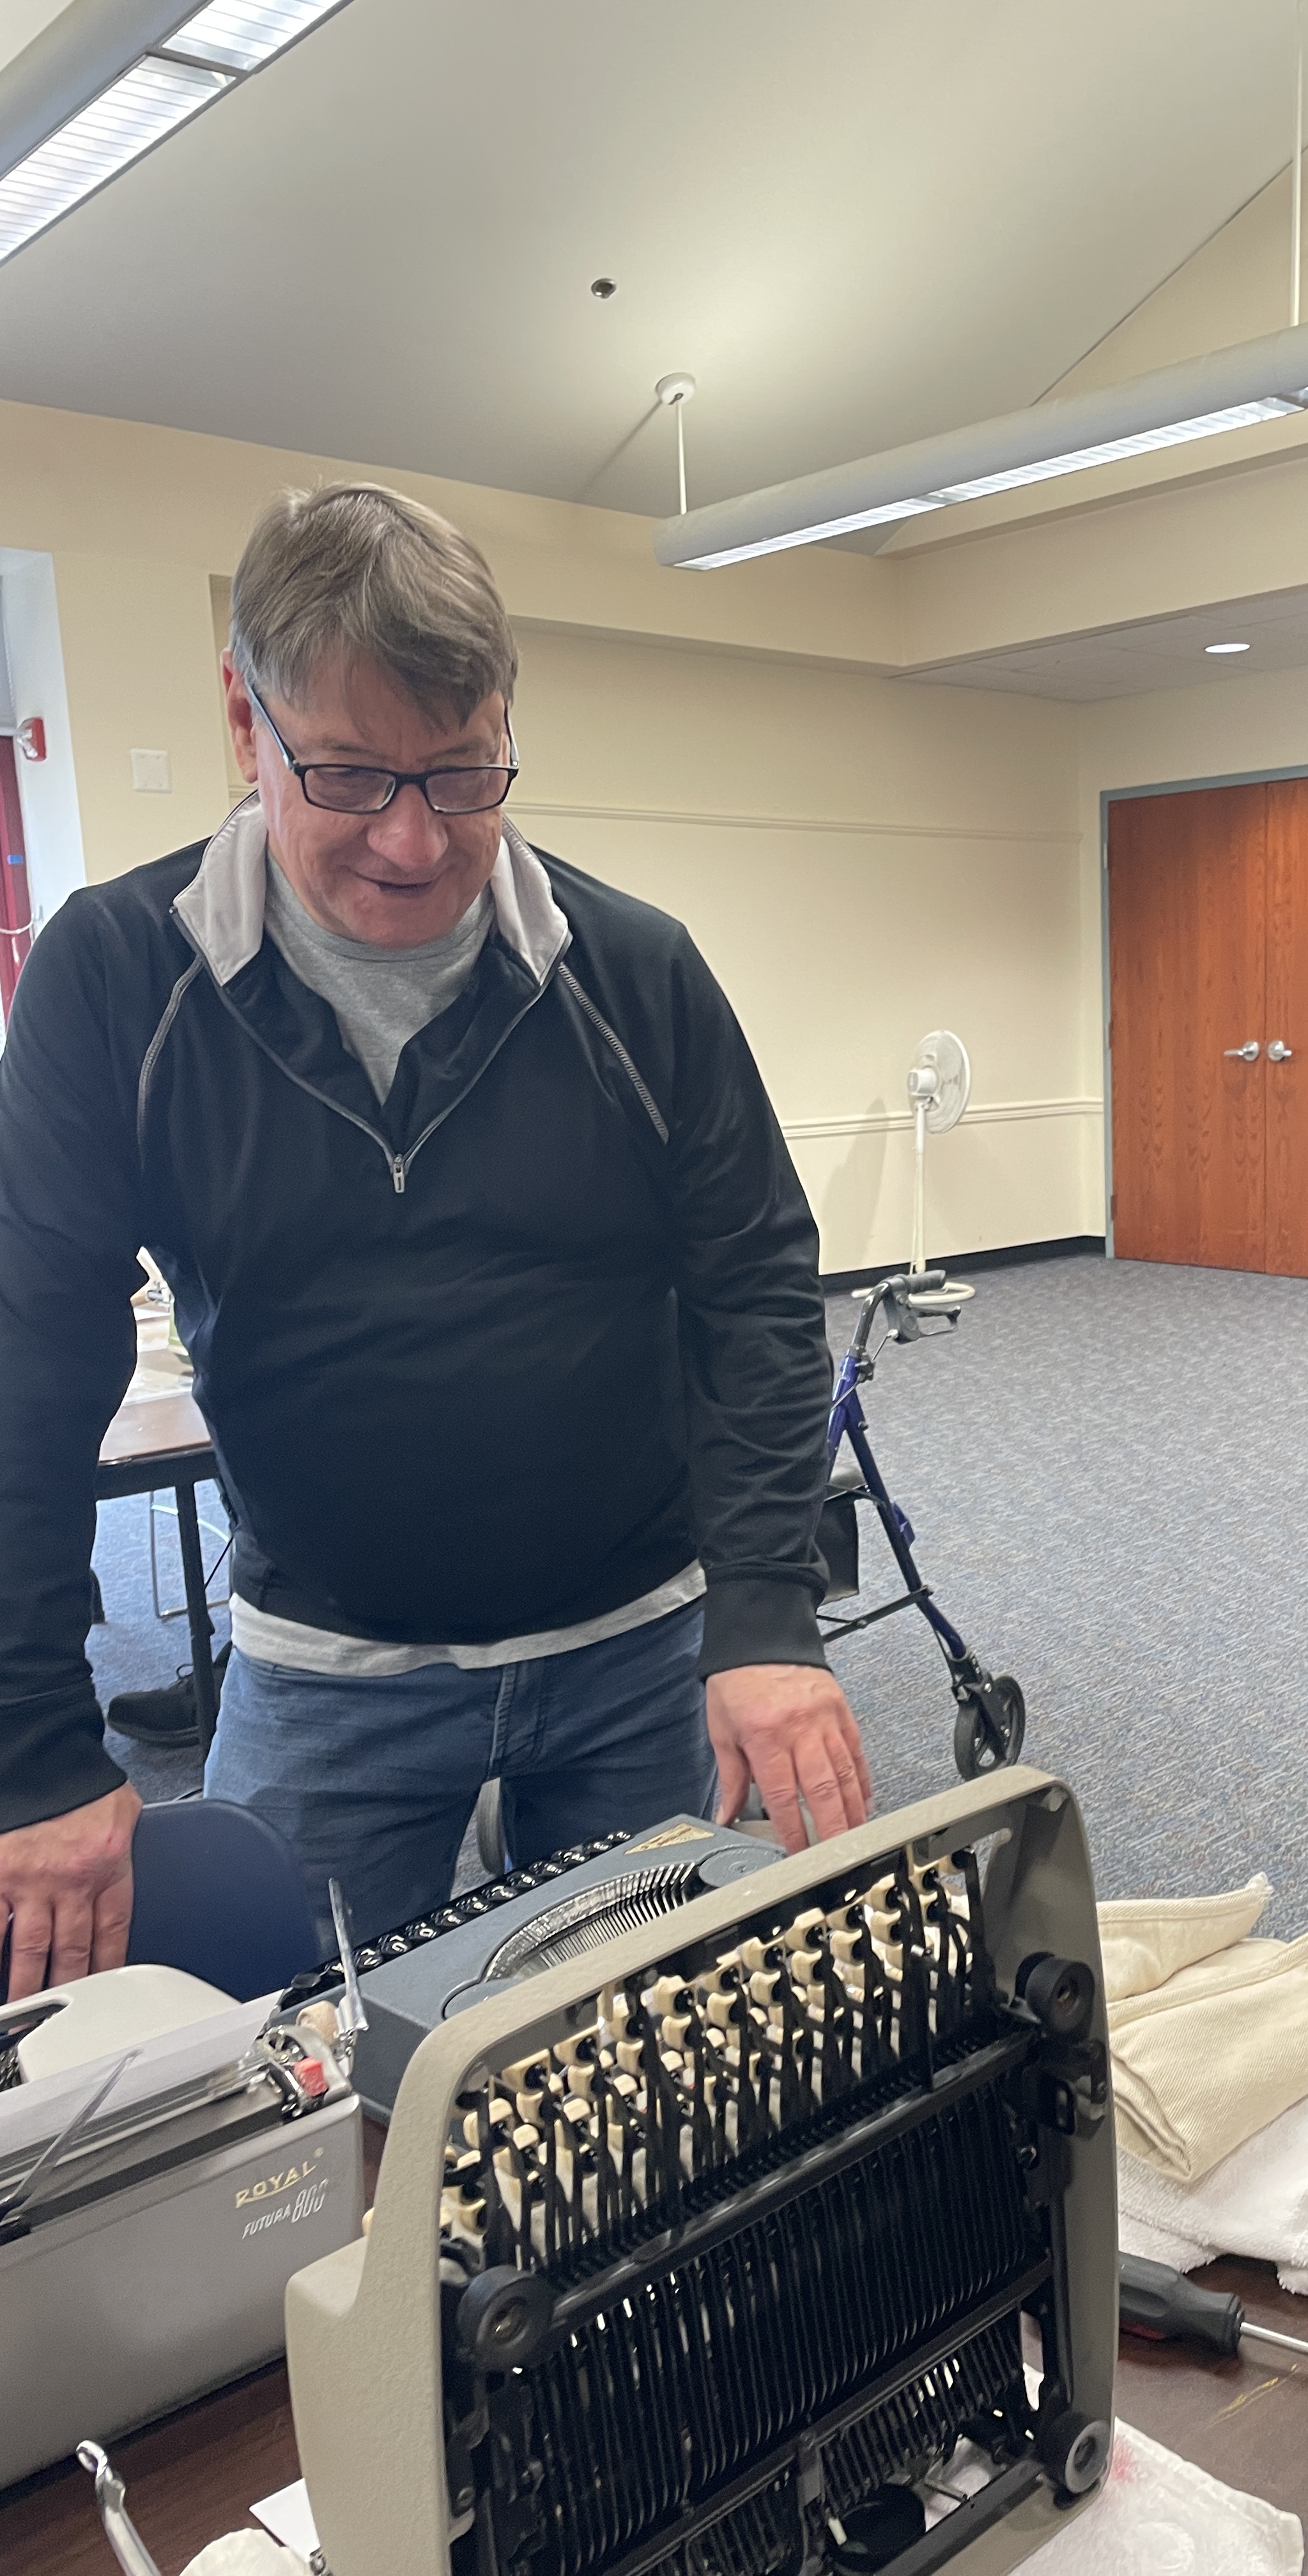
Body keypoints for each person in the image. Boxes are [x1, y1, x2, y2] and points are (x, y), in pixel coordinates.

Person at [0, 482, 869, 2000]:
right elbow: (26, 1358)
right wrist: (33, 1743)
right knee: (287, 2105)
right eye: (348, 775)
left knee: (659, 2081)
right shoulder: (118, 981)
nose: (413, 841)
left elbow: (757, 1297)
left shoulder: (636, 973)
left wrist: (769, 1615)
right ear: (240, 718)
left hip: (638, 1650)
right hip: (328, 1669)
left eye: (464, 776)